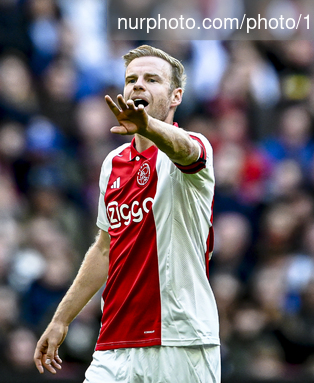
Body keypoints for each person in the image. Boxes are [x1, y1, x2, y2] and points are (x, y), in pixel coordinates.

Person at [34, 44, 220, 383]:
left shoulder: (193, 148)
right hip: (115, 345)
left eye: (152, 79)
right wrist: (61, 319)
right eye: (131, 79)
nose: (138, 85)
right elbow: (105, 248)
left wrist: (148, 127)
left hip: (180, 340)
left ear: (175, 96)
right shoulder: (113, 163)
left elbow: (186, 150)